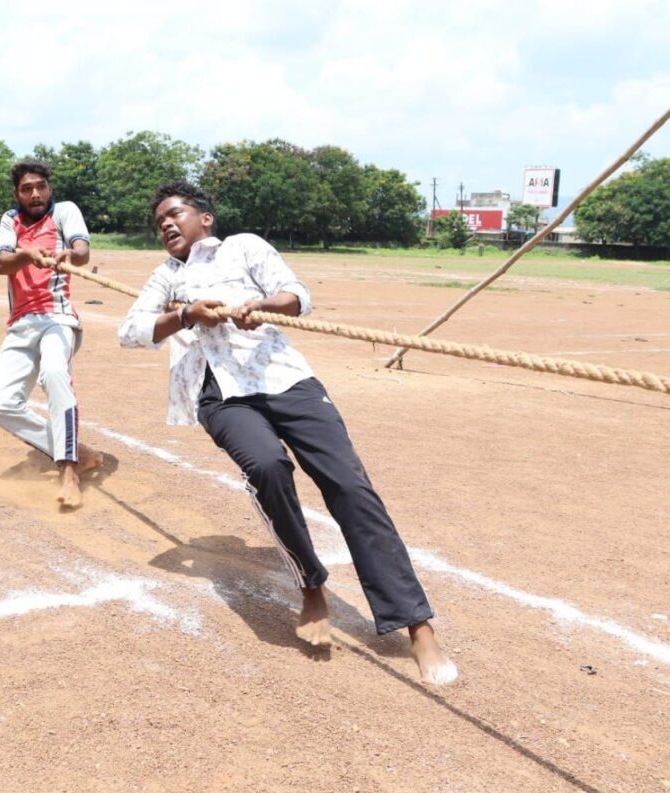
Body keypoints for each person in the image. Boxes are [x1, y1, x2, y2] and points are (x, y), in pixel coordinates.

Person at [117, 182, 457, 685]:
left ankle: (418, 626)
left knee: (351, 488)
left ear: (205, 218)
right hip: (221, 395)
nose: (166, 224)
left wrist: (262, 308)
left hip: (286, 379)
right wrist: (187, 313)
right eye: (159, 221)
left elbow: (297, 296)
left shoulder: (245, 247)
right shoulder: (165, 277)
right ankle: (311, 586)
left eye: (175, 214)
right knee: (267, 466)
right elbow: (131, 331)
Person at [0, 159, 102, 508]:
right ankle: (75, 450)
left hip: (57, 318)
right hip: (21, 323)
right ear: (17, 193)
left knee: (54, 374)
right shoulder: (10, 220)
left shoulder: (64, 212)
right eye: (26, 189)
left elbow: (82, 252)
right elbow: (2, 262)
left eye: (40, 186)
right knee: (0, 405)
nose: (35, 194)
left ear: (49, 188)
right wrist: (25, 254)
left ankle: (69, 471)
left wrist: (69, 253)